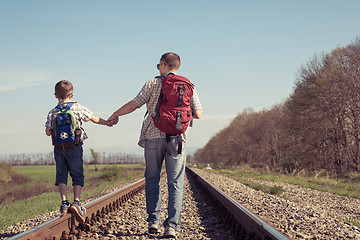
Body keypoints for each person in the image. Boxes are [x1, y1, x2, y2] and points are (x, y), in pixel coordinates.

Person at [108, 52, 202, 238]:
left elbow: (135, 104)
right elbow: (198, 113)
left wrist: (115, 114)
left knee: (153, 178)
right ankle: (171, 227)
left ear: (163, 65)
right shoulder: (188, 84)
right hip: (177, 138)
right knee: (175, 182)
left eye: (158, 65)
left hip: (153, 136)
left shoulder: (152, 83)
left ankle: (153, 222)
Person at [45, 80, 112, 224]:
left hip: (58, 147)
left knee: (61, 174)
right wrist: (107, 122)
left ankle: (64, 203)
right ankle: (76, 202)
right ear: (72, 94)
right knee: (77, 174)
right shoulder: (77, 107)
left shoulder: (52, 112)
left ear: (55, 95)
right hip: (74, 147)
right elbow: (93, 119)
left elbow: (47, 131)